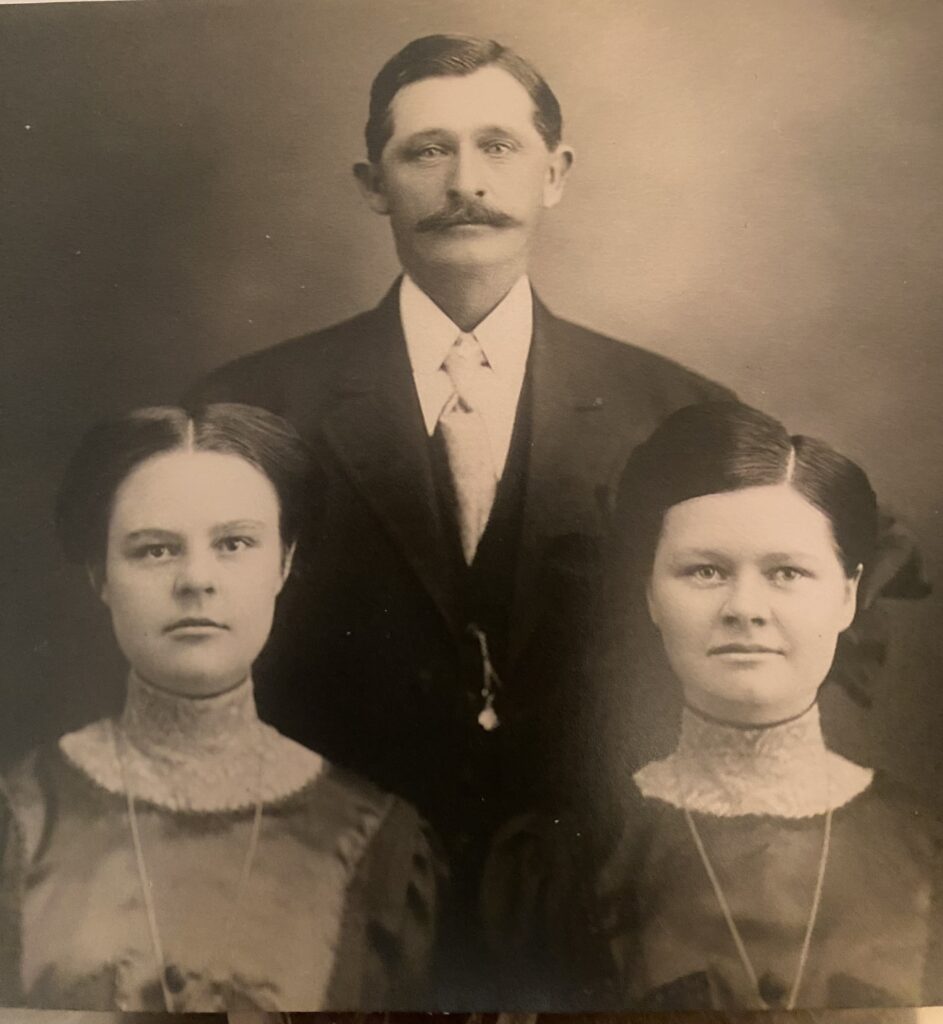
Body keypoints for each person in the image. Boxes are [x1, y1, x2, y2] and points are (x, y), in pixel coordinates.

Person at [187, 34, 733, 856]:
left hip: (598, 874)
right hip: (319, 862)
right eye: (426, 151)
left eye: (497, 147)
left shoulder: (676, 413)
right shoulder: (253, 406)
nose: (465, 183)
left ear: (554, 173)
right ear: (374, 185)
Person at [486, 402, 942, 1010]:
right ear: (650, 593)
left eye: (787, 573)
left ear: (847, 595)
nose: (744, 607)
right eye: (704, 571)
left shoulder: (927, 853)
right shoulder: (564, 862)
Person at [0, 404, 439, 1013]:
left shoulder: (376, 839)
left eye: (234, 543)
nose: (196, 579)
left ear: (282, 564)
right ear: (100, 576)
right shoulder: (19, 821)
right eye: (154, 550)